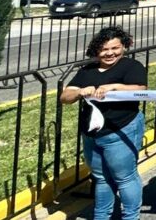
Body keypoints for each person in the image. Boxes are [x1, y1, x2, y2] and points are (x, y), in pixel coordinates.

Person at [60, 26, 148, 220]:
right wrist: (80, 92)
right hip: (92, 134)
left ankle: (131, 217)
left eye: (115, 48)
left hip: (121, 130)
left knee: (124, 177)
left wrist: (115, 87)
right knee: (101, 178)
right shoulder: (86, 71)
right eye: (104, 49)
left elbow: (141, 88)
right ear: (96, 51)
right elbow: (65, 97)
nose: (110, 53)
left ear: (124, 47)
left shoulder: (131, 67)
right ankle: (101, 216)